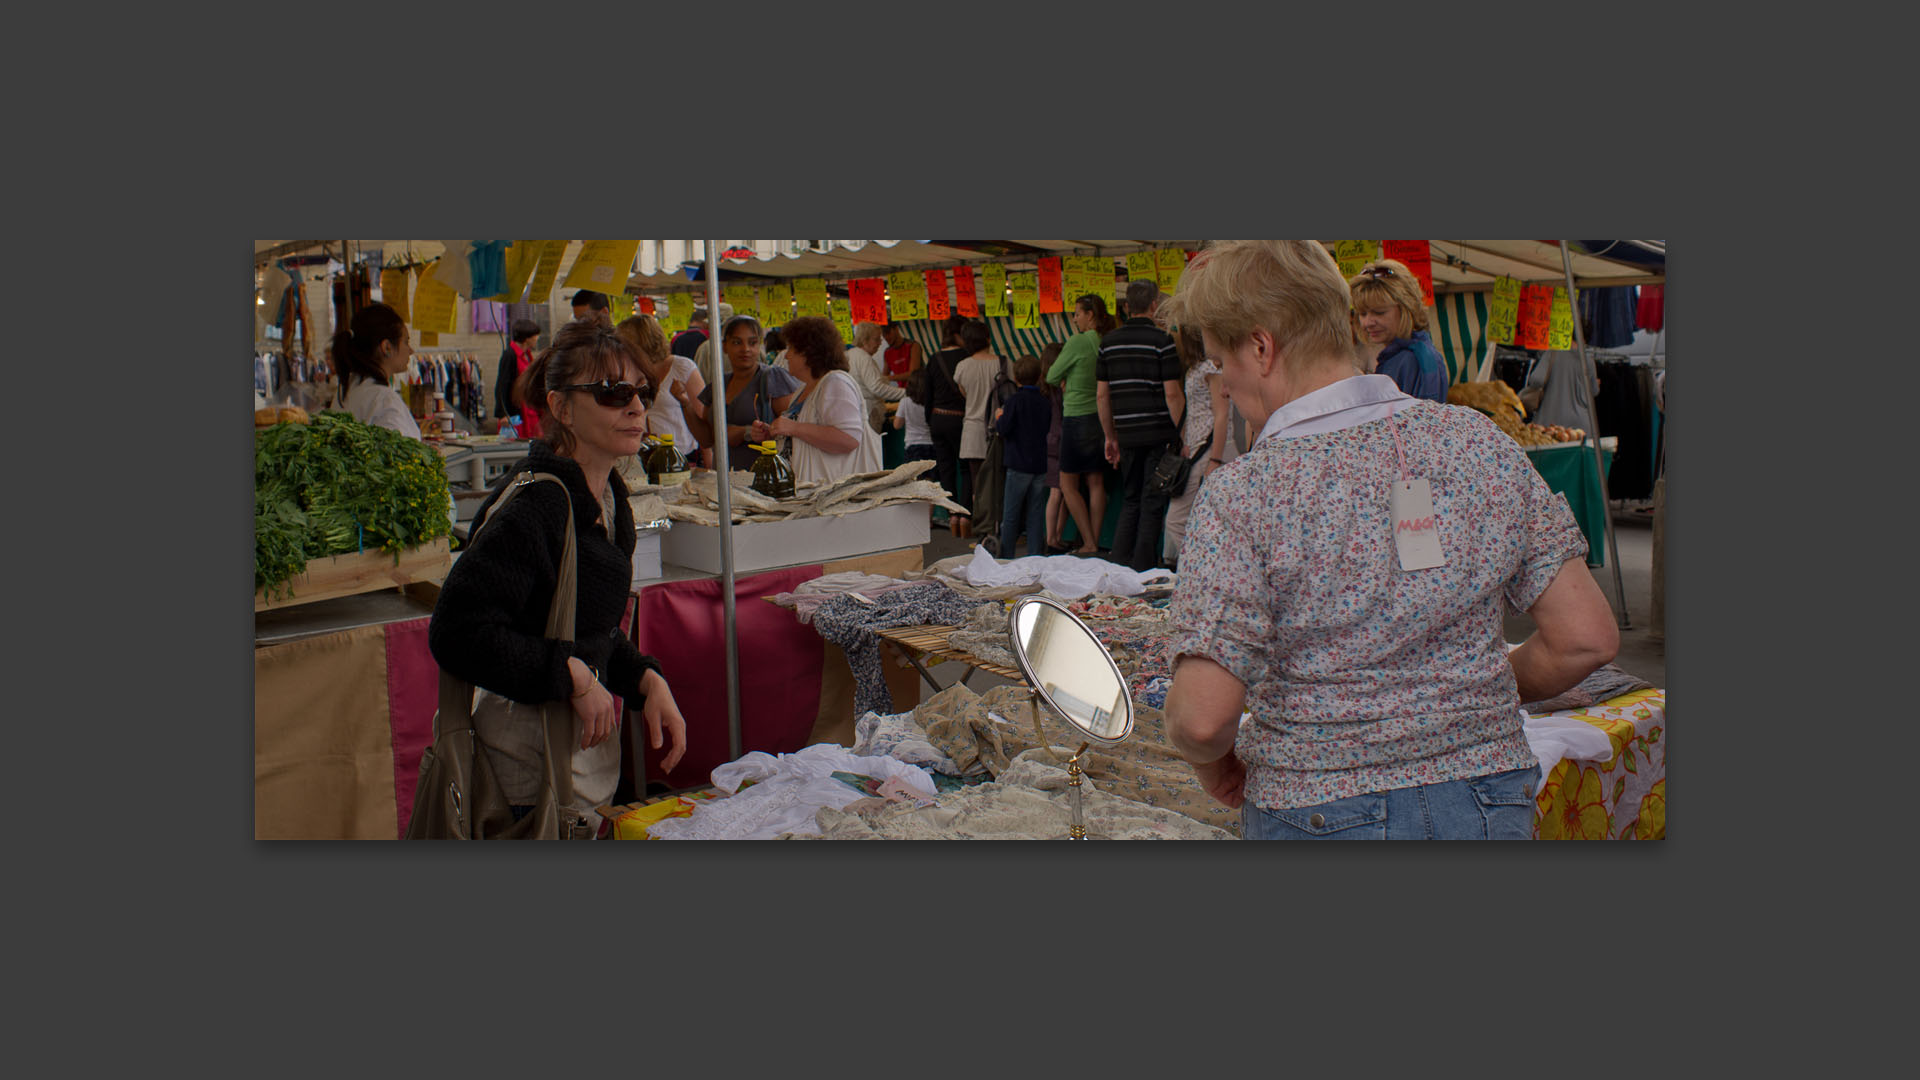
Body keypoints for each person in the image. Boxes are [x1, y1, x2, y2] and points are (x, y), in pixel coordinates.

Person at [1156, 240, 1618, 840]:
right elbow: (1586, 639)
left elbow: (1199, 719)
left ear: (1261, 346)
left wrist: (1213, 766)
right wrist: (1457, 704)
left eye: (1222, 362)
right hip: (1487, 795)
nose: (1225, 383)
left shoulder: (1245, 492)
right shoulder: (1475, 442)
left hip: (1317, 803)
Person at [428, 318, 690, 833]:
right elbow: (457, 633)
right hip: (526, 773)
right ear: (562, 408)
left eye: (642, 390)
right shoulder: (537, 507)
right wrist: (569, 673)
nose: (636, 406)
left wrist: (642, 676)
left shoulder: (609, 495)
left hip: (577, 767)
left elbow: (584, 624)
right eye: (613, 393)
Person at [1097, 279, 1183, 572]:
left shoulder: (1107, 343)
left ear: (1125, 307)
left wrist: (1110, 436)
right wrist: (1181, 432)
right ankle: (1144, 570)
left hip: (1127, 434)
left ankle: (1118, 565)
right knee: (1152, 503)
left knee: (1130, 500)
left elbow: (1102, 394)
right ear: (1155, 305)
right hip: (1158, 433)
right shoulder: (1163, 340)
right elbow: (1172, 393)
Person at [749, 315, 881, 484]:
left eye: (791, 349)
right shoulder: (804, 390)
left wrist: (794, 428)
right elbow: (805, 436)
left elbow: (848, 439)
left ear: (808, 353)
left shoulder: (835, 383)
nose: (786, 356)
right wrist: (774, 433)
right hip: (812, 495)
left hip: (833, 496)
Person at [678, 314, 800, 460]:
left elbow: (794, 430)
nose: (745, 349)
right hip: (724, 476)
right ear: (724, 346)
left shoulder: (772, 378)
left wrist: (762, 431)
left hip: (763, 476)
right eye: (737, 342)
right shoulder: (717, 386)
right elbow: (707, 439)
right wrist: (685, 403)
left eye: (752, 343)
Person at [1048, 294, 1115, 555]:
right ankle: (1095, 540)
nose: (1074, 318)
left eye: (1077, 313)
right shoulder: (1106, 341)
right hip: (1100, 417)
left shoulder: (1078, 341)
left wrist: (1066, 381)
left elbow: (1052, 374)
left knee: (1068, 485)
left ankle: (1088, 541)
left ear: (1090, 315)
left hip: (1076, 417)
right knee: (1096, 482)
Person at [1161, 324, 1231, 565]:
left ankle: (1203, 567)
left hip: (1206, 452)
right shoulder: (1197, 369)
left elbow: (1221, 414)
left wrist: (1215, 459)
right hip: (1199, 450)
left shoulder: (1208, 369)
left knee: (1177, 519)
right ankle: (1205, 566)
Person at [1349, 260, 1446, 403]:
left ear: (1406, 309)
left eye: (1379, 312)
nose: (1368, 323)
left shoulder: (1415, 360)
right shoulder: (1398, 356)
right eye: (1362, 314)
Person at [616, 315, 703, 459]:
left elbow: (703, 417)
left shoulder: (682, 367)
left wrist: (708, 461)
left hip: (682, 455)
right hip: (644, 454)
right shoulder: (630, 371)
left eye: (625, 343)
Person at [330, 301, 421, 439]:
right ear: (387, 347)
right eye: (406, 342)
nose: (411, 350)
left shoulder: (346, 388)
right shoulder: (384, 400)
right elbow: (398, 454)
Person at [993, 355, 1051, 558]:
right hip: (1039, 463)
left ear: (1016, 377)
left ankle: (1006, 556)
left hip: (1018, 464)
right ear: (1039, 376)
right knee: (1035, 514)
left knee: (1011, 514)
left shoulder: (1014, 401)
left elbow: (1004, 429)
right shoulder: (1045, 402)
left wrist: (999, 417)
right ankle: (1035, 556)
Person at [953, 320, 1003, 516]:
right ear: (988, 339)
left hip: (972, 430)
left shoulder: (962, 367)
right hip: (999, 429)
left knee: (977, 483)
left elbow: (964, 392)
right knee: (998, 481)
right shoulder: (1003, 363)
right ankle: (997, 524)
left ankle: (981, 524)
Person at [921, 322, 970, 517]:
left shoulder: (934, 359)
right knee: (965, 469)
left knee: (946, 469)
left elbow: (928, 395)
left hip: (938, 419)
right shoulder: (966, 358)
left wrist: (930, 420)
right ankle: (965, 514)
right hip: (960, 420)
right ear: (959, 335)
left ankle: (952, 515)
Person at [1037, 342, 1069, 553]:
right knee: (1060, 492)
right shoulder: (1062, 386)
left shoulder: (1043, 387)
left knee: (1059, 491)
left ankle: (1054, 537)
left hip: (1050, 439)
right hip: (1062, 439)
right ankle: (1052, 537)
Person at [494, 318, 545, 438]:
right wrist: (502, 413)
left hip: (528, 409)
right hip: (514, 412)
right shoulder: (510, 355)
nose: (537, 338)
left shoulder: (527, 355)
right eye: (535, 336)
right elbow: (502, 384)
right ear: (527, 338)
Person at [847, 322, 904, 428]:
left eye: (880, 339)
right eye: (876, 339)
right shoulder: (864, 358)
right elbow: (877, 388)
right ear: (865, 341)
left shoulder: (851, 354)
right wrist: (906, 393)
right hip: (869, 414)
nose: (880, 343)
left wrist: (883, 379)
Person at [893, 366, 936, 468]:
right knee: (932, 480)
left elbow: (897, 425)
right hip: (932, 445)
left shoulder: (905, 401)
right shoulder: (934, 401)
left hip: (913, 446)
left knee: (915, 480)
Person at [880, 322, 924, 391]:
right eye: (883, 335)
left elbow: (912, 374)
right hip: (903, 392)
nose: (886, 337)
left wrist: (889, 378)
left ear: (896, 329)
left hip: (919, 392)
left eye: (888, 332)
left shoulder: (913, 346)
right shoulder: (887, 352)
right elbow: (884, 377)